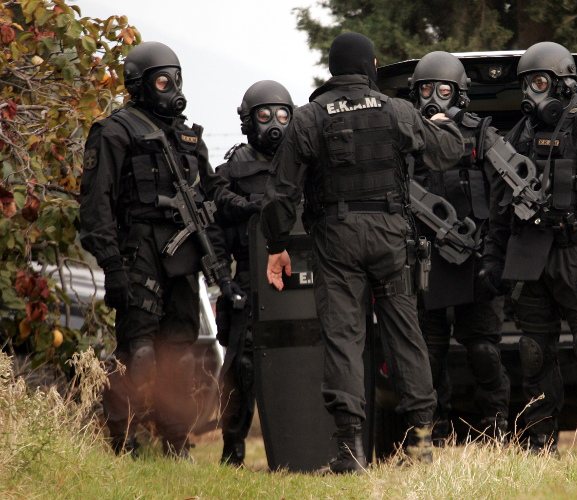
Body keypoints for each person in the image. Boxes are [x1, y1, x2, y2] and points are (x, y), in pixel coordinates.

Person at [260, 32, 465, 473]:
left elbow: (281, 194)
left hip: (336, 241)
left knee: (343, 337)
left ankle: (350, 451)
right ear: (370, 65)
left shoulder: (309, 117)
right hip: (390, 236)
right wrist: (443, 121)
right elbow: (449, 151)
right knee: (405, 333)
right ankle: (422, 446)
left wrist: (277, 246)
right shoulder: (397, 110)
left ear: (333, 69)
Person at [79, 41, 252, 457]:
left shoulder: (188, 138)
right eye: (162, 80)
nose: (172, 87)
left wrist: (248, 206)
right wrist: (112, 266)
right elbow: (95, 207)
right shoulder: (115, 132)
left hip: (183, 257)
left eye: (176, 78)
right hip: (138, 254)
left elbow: (212, 194)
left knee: (180, 355)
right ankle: (125, 441)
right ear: (140, 85)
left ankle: (175, 443)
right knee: (139, 353)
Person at [481, 41, 577, 457]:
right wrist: (494, 256)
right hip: (529, 254)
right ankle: (539, 439)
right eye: (527, 83)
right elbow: (500, 205)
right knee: (533, 351)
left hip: (576, 252)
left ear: (564, 84)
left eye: (540, 82)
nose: (532, 92)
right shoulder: (518, 135)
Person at [407, 51, 511, 442]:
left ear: (460, 94)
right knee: (428, 353)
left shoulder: (481, 134)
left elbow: (506, 194)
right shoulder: (407, 135)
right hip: (427, 259)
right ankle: (433, 430)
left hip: (475, 255)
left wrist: (495, 256)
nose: (435, 98)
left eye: (444, 90)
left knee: (483, 349)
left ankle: (496, 428)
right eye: (427, 90)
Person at [214, 80, 294, 466]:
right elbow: (214, 225)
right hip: (248, 274)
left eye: (282, 115)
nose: (274, 123)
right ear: (249, 120)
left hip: (297, 276)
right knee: (242, 366)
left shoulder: (302, 164)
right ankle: (233, 447)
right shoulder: (232, 171)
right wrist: (223, 280)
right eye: (265, 115)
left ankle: (302, 447)